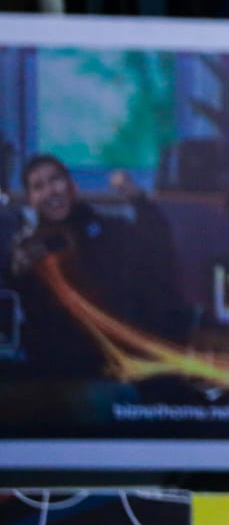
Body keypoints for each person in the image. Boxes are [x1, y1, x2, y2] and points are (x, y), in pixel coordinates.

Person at [2, 157, 184, 399]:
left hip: (104, 365)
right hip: (47, 372)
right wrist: (15, 271)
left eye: (55, 180)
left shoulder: (107, 230)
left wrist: (137, 198)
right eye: (38, 186)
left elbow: (155, 243)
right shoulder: (25, 249)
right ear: (31, 200)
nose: (50, 191)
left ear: (71, 187)